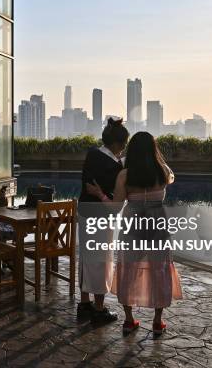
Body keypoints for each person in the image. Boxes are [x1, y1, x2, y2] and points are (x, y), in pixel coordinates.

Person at [88, 131, 182, 336]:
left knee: (128, 272)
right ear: (153, 149)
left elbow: (115, 208)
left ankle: (129, 320)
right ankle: (158, 321)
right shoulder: (163, 171)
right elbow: (172, 177)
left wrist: (100, 194)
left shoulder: (125, 175)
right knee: (160, 271)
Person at [77, 118, 129, 324]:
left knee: (86, 259)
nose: (124, 148)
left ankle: (84, 305)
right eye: (124, 144)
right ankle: (99, 309)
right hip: (101, 217)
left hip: (85, 213)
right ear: (117, 144)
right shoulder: (114, 166)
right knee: (101, 261)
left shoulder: (92, 155)